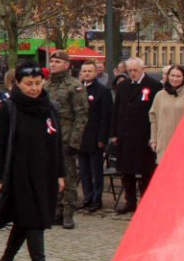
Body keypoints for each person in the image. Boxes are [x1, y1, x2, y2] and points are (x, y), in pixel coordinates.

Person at [0, 61, 66, 261]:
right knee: (35, 221)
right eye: (28, 84)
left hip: (45, 173)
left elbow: (57, 142)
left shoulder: (50, 107)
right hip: (19, 174)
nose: (33, 88)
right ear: (17, 84)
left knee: (25, 221)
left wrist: (61, 173)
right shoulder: (9, 109)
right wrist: (0, 178)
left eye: (37, 83)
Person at [44, 50, 88, 229]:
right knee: (51, 175)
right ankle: (55, 210)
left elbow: (81, 115)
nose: (53, 64)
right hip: (49, 138)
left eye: (58, 62)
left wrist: (74, 142)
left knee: (68, 176)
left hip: (66, 137)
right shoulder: (46, 86)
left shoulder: (74, 86)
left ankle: (68, 212)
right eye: (52, 61)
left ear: (67, 65)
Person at [111, 57, 160, 213]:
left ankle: (146, 203)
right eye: (129, 71)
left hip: (143, 137)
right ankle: (130, 202)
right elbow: (116, 110)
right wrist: (114, 133)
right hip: (125, 137)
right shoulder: (123, 86)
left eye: (135, 70)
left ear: (142, 69)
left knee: (146, 172)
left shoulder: (154, 86)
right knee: (127, 172)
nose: (132, 73)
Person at [77, 61, 112, 211]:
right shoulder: (78, 89)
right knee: (84, 171)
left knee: (96, 171)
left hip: (95, 137)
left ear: (95, 72)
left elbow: (106, 117)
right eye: (84, 71)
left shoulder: (102, 91)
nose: (86, 74)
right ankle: (87, 197)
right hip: (80, 137)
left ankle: (97, 199)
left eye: (89, 71)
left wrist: (102, 139)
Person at [149, 64, 184, 165]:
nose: (175, 79)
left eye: (178, 76)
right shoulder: (160, 95)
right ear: (168, 76)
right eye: (172, 75)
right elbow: (153, 119)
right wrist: (154, 140)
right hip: (164, 142)